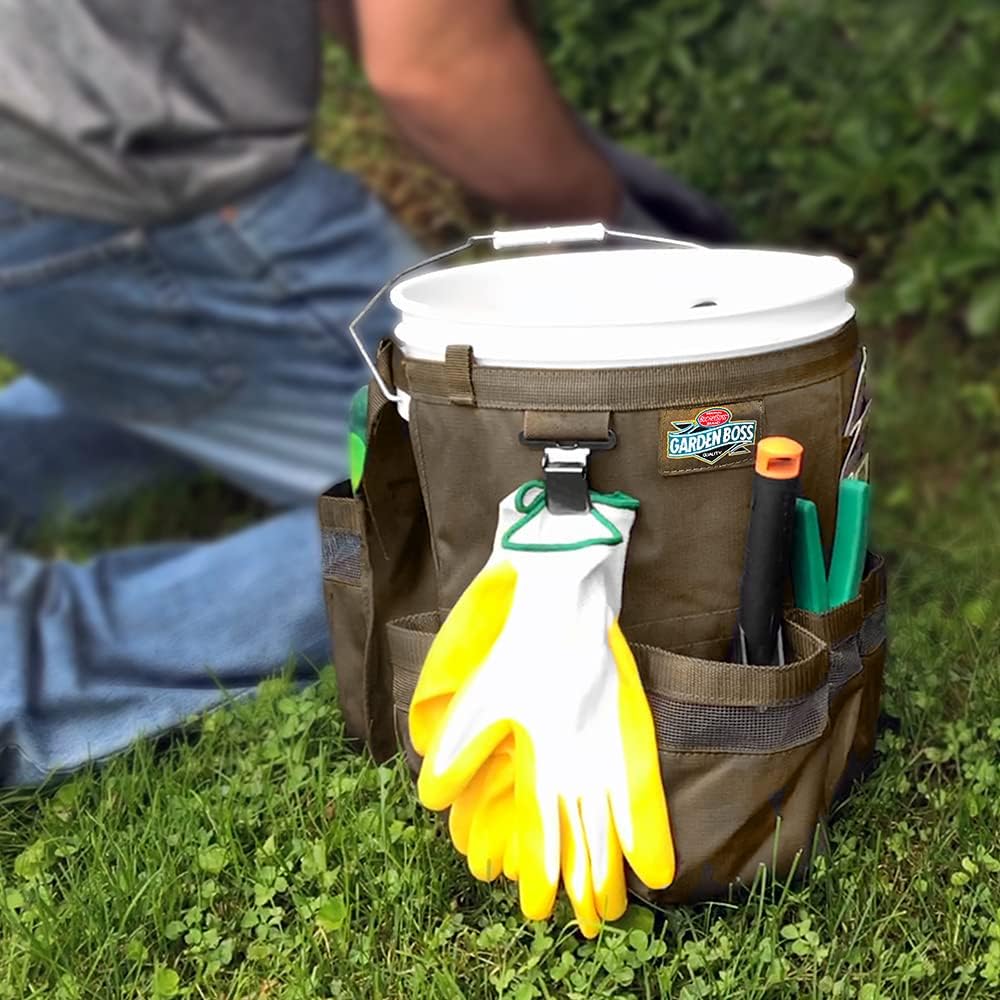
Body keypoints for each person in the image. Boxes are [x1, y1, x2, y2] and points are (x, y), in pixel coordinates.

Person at [0, 0, 734, 786]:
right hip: (149, 210)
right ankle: (30, 666)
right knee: (559, 507)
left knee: (200, 373)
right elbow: (431, 66)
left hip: (52, 176)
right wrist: (617, 227)